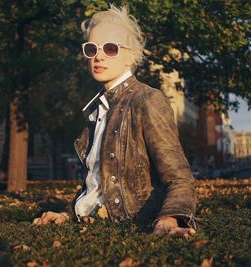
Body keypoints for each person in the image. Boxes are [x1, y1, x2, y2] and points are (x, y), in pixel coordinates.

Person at [33, 5, 196, 238]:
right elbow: (98, 187)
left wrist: (168, 219)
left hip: (124, 230)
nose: (98, 56)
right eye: (91, 49)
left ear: (131, 56)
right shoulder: (97, 110)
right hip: (88, 228)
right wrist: (67, 214)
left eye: (110, 48)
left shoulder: (148, 101)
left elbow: (180, 178)